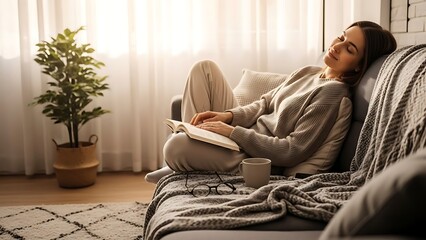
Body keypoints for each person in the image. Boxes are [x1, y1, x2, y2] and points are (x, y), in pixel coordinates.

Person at [145, 21, 397, 184]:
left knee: (174, 146)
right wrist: (228, 117)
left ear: (358, 66)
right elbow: (265, 103)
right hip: (242, 134)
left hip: (253, 155)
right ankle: (185, 161)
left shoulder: (333, 95)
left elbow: (292, 150)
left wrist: (233, 132)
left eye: (349, 49)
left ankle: (179, 163)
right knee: (205, 69)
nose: (337, 46)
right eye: (341, 37)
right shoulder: (309, 71)